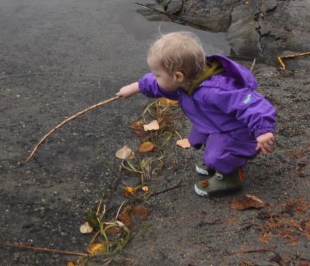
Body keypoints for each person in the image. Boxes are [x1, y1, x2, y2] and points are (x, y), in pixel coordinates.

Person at [116, 31, 276, 198]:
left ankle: (231, 177)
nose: (155, 78)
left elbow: (254, 104)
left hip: (239, 131)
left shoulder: (215, 91)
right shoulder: (184, 83)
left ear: (178, 76)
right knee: (203, 138)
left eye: (158, 75)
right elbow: (158, 85)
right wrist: (135, 87)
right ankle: (222, 160)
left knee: (217, 156)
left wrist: (263, 130)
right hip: (215, 123)